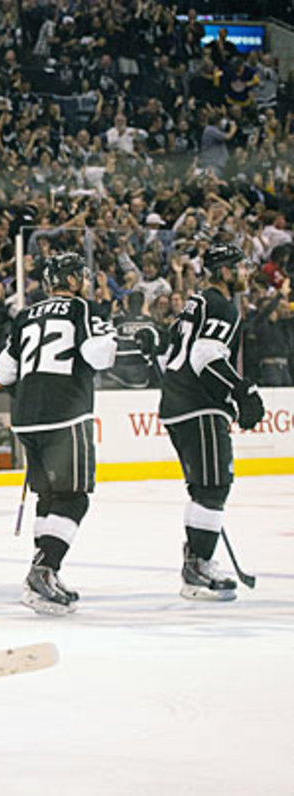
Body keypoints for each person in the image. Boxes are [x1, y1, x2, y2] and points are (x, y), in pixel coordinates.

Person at [0, 252, 116, 615]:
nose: (86, 283)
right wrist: (111, 336)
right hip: (65, 414)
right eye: (82, 277)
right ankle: (44, 570)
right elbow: (98, 356)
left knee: (48, 498)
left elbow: (2, 372)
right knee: (73, 499)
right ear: (72, 280)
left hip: (27, 418)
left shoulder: (26, 315)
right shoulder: (82, 309)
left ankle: (44, 572)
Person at [158, 243, 265, 601]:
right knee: (213, 488)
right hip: (199, 406)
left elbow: (169, 356)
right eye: (240, 267)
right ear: (223, 271)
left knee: (206, 488)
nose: (245, 273)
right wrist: (241, 390)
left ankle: (197, 562)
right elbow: (204, 355)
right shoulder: (221, 304)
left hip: (179, 404)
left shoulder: (196, 303)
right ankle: (198, 568)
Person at [107, 291, 163, 389]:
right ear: (144, 304)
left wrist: (112, 313)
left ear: (128, 304)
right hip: (143, 371)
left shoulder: (118, 321)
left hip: (119, 370)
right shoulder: (150, 322)